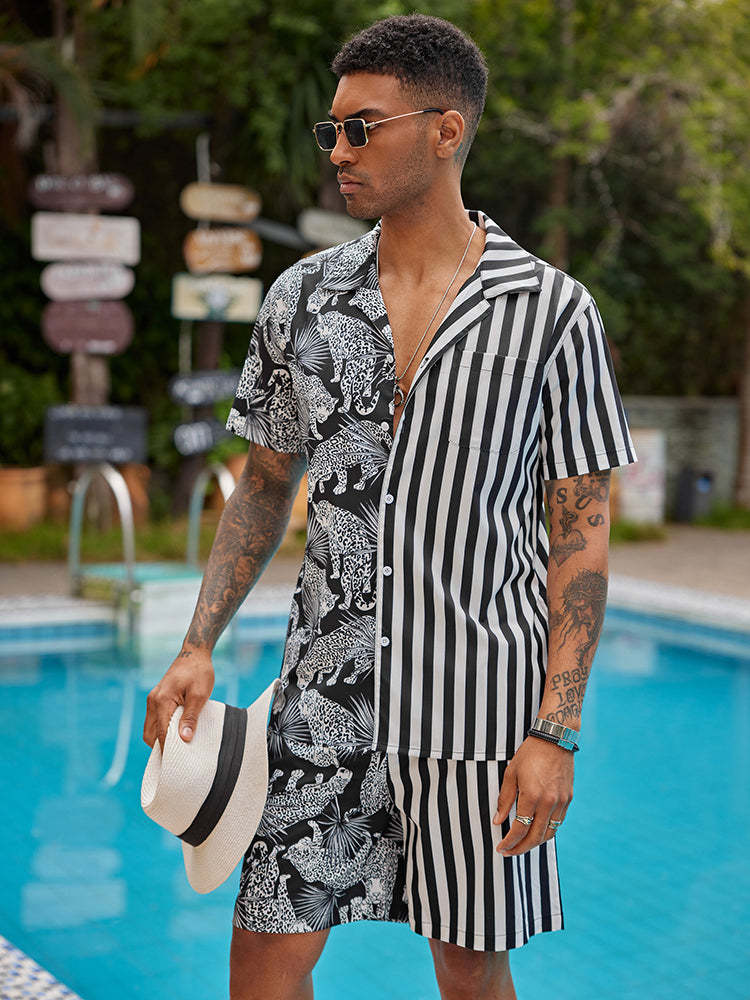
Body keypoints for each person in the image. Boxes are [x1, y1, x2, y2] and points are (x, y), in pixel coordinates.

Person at [143, 13, 636, 1000]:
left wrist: (556, 730)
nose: (338, 150)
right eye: (332, 129)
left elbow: (580, 535)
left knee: (469, 967)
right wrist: (198, 643)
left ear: (445, 131)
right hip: (321, 703)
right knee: (263, 957)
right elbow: (264, 485)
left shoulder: (552, 312)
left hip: (478, 706)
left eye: (361, 127)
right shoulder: (302, 297)